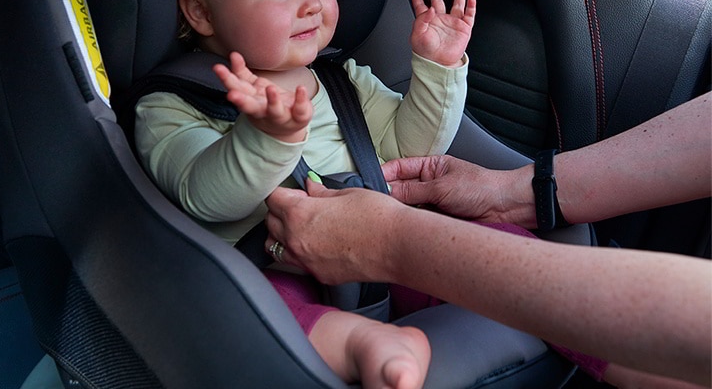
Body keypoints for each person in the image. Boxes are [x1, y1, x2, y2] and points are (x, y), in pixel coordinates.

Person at [136, 0, 476, 387]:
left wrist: (437, 71)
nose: (314, 1)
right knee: (252, 314)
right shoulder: (171, 105)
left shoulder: (339, 80)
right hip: (275, 271)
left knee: (488, 244)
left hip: (379, 248)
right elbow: (205, 197)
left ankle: (595, 337)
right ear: (201, 12)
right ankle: (370, 345)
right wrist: (266, 136)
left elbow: (410, 150)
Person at [264, 91, 712, 388]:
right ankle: (360, 341)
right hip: (279, 253)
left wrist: (390, 240)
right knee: (267, 303)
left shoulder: (345, 80)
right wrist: (520, 193)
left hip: (370, 223)